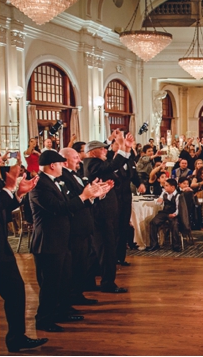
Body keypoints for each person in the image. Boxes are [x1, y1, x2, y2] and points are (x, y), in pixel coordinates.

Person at [30, 150, 110, 332]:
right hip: (48, 242)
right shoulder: (40, 185)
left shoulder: (54, 182)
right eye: (60, 163)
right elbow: (59, 208)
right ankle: (44, 320)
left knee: (63, 279)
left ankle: (61, 311)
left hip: (62, 239)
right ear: (53, 166)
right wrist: (84, 196)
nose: (63, 166)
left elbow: (72, 204)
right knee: (50, 284)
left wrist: (91, 196)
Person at [0, 164, 48, 351]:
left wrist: (17, 194)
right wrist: (9, 189)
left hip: (2, 250)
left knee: (16, 292)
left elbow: (1, 207)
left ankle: (16, 338)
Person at [83, 134, 133, 294]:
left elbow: (113, 172)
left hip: (105, 213)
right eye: (102, 149)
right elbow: (110, 166)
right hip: (101, 214)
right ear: (92, 152)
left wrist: (124, 149)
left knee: (96, 250)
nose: (105, 150)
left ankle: (88, 281)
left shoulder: (97, 163)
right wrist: (123, 149)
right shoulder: (92, 163)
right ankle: (108, 283)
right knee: (107, 248)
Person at [58, 148, 99, 306]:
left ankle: (78, 294)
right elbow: (73, 200)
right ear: (65, 160)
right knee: (74, 265)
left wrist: (96, 193)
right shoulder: (63, 177)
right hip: (75, 227)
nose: (79, 160)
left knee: (82, 263)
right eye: (75, 157)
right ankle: (72, 296)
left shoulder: (77, 174)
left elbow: (84, 197)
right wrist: (87, 194)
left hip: (84, 225)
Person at [145, 179, 182, 252]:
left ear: (172, 187)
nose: (164, 187)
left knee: (174, 224)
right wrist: (158, 201)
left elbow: (179, 208)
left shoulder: (178, 196)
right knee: (153, 222)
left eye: (166, 185)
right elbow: (159, 203)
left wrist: (174, 214)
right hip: (165, 212)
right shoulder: (164, 192)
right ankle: (154, 244)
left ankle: (176, 245)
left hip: (173, 213)